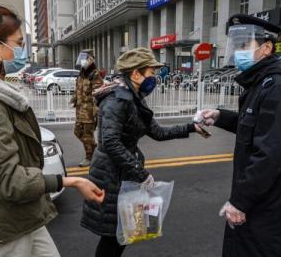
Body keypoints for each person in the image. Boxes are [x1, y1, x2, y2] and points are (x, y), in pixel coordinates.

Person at [0, 0, 104, 257]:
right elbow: (2, 176)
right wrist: (69, 181)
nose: (21, 52)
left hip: (20, 215)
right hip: (0, 228)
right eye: (17, 44)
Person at [81, 47, 209, 257]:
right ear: (136, 73)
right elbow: (110, 142)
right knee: (113, 235)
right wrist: (142, 174)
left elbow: (157, 132)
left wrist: (190, 127)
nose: (155, 78)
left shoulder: (134, 96)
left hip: (126, 173)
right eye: (151, 72)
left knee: (125, 232)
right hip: (112, 176)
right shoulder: (117, 99)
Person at [200, 14, 281, 257]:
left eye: (244, 45)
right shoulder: (262, 82)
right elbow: (256, 125)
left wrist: (240, 201)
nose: (238, 51)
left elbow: (271, 152)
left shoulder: (279, 87)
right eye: (236, 45)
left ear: (266, 48)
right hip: (261, 206)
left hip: (272, 212)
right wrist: (220, 116)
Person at [71, 49, 104, 167]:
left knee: (87, 135)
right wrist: (74, 99)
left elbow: (99, 94)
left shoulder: (94, 74)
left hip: (90, 113)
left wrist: (97, 112)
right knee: (77, 132)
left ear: (91, 59)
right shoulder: (82, 73)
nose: (83, 60)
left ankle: (89, 157)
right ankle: (94, 148)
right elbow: (78, 89)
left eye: (86, 58)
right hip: (80, 111)